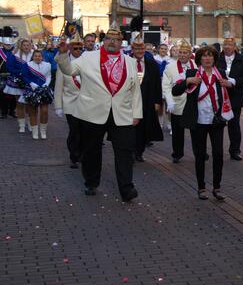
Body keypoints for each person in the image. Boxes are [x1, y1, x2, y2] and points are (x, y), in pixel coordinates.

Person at [55, 25, 142, 201]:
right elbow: (69, 71)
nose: (112, 42)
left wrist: (137, 113)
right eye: (109, 39)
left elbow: (135, 90)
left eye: (117, 40)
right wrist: (63, 55)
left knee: (125, 152)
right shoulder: (88, 57)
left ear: (121, 43)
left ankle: (127, 188)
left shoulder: (130, 62)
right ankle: (91, 182)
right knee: (91, 150)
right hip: (91, 112)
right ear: (103, 41)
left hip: (122, 113)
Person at [172, 46, 233, 200]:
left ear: (214, 58)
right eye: (204, 56)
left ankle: (217, 187)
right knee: (200, 155)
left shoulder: (220, 74)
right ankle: (201, 187)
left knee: (218, 154)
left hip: (216, 120)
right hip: (198, 121)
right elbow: (175, 91)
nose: (207, 58)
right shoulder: (191, 73)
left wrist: (230, 84)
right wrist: (188, 81)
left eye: (210, 56)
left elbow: (231, 88)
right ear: (199, 59)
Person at [130, 34, 164, 162]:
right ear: (132, 49)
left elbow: (157, 84)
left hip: (147, 101)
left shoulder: (151, 64)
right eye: (137, 49)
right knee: (131, 127)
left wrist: (157, 101)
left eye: (141, 49)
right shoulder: (127, 62)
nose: (139, 51)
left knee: (144, 128)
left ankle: (139, 152)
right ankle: (131, 151)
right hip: (130, 102)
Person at [216, 36, 243, 161]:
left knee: (234, 125)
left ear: (235, 47)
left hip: (235, 96)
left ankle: (235, 150)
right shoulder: (217, 58)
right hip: (219, 96)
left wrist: (233, 82)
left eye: (229, 44)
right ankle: (217, 150)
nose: (226, 47)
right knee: (217, 124)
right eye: (225, 44)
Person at [54, 31, 84, 168]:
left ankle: (82, 153)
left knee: (84, 130)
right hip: (70, 103)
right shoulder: (63, 63)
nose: (78, 51)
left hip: (85, 103)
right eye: (75, 48)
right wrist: (58, 106)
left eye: (80, 48)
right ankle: (74, 156)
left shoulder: (86, 63)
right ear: (70, 49)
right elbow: (58, 86)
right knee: (74, 130)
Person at [162, 39, 195, 163]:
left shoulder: (197, 65)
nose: (182, 55)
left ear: (190, 54)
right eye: (180, 52)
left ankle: (199, 152)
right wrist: (169, 101)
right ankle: (177, 153)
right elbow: (166, 86)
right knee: (177, 132)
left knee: (196, 131)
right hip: (177, 103)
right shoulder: (170, 67)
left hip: (193, 104)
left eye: (185, 53)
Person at [2, 37, 33, 132]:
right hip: (17, 83)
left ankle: (30, 124)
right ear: (21, 46)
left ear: (30, 46)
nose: (26, 47)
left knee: (30, 105)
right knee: (20, 104)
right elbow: (9, 68)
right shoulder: (14, 55)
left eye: (28, 45)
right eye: (24, 45)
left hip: (30, 83)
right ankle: (22, 125)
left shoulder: (33, 54)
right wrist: (20, 73)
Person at [23, 49, 52, 139]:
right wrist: (32, 84)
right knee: (33, 111)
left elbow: (48, 75)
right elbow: (25, 77)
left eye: (39, 56)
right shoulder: (27, 65)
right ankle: (35, 132)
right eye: (35, 56)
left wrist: (46, 84)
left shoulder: (47, 65)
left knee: (44, 111)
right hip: (31, 90)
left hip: (44, 89)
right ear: (33, 56)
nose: (37, 57)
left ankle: (43, 131)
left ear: (42, 57)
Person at [0, 28, 17, 119]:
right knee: (3, 95)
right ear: (3, 43)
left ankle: (12, 111)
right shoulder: (0, 51)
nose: (8, 45)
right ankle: (4, 112)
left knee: (13, 95)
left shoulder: (15, 51)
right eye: (6, 44)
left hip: (13, 76)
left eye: (9, 44)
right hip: (2, 76)